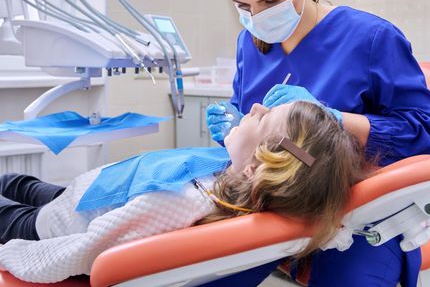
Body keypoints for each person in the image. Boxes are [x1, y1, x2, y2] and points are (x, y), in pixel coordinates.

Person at [205, 0, 430, 286]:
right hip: (273, 204)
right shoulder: (250, 43)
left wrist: (335, 117)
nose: (256, 17)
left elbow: (426, 138)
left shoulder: (372, 38)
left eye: (271, 0)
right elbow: (254, 128)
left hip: (357, 213)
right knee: (204, 269)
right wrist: (234, 129)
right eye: (243, 6)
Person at [0, 101, 368, 283]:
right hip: (85, 195)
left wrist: (17, 254)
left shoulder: (178, 202)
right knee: (15, 182)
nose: (253, 107)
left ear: (258, 165)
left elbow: (88, 248)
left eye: (263, 116)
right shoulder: (231, 173)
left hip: (61, 223)